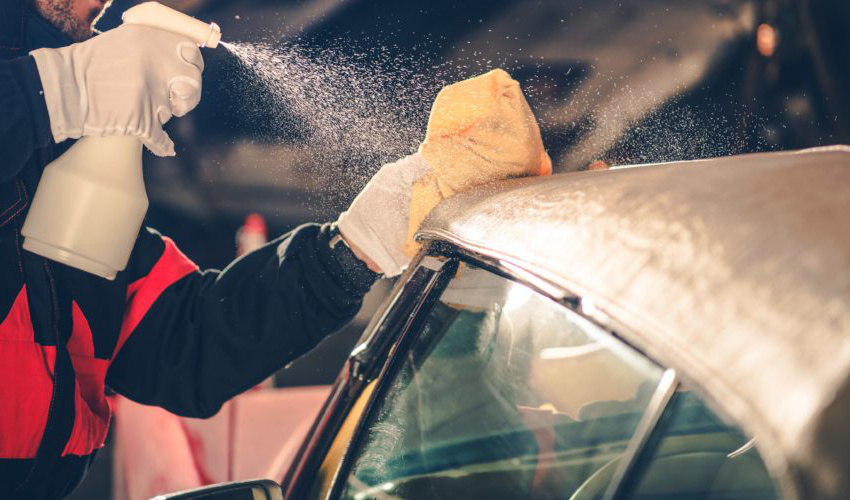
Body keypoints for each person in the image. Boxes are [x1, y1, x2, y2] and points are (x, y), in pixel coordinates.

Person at [0, 0, 551, 497]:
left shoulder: (47, 168)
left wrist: (361, 240)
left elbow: (183, 339)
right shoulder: (40, 107)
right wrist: (49, 91)